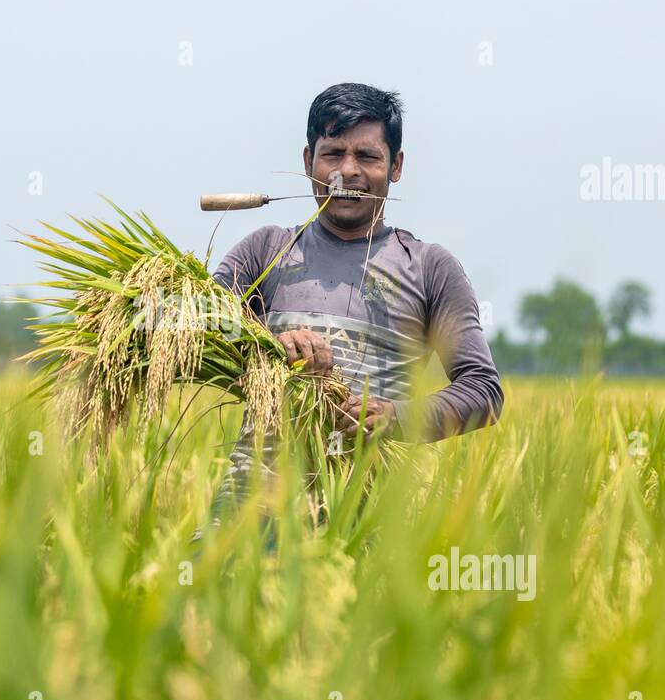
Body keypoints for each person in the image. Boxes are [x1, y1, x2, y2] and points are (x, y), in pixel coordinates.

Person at [200, 82, 504, 542]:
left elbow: (483, 391)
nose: (347, 171)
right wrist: (265, 344)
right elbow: (198, 332)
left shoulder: (429, 268)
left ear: (395, 166)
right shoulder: (264, 252)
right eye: (333, 153)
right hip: (248, 514)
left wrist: (395, 416)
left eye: (367, 157)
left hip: (366, 521)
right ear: (308, 162)